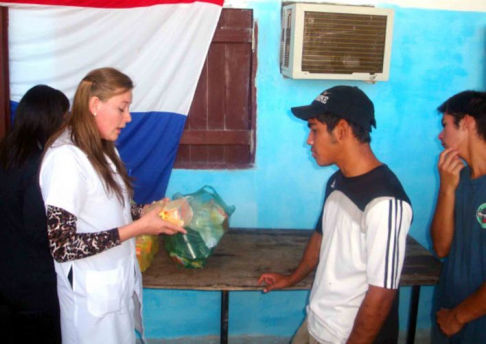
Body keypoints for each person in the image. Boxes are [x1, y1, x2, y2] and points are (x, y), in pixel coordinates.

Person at [39, 67, 186, 344]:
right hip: (89, 297)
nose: (128, 118)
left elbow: (110, 206)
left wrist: (144, 212)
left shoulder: (103, 149)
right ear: (95, 105)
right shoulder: (66, 159)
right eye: (122, 108)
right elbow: (62, 245)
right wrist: (139, 228)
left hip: (112, 284)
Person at [258, 86, 413, 343]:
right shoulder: (337, 181)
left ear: (341, 130)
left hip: (346, 335)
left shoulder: (386, 203)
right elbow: (321, 236)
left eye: (314, 129)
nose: (309, 140)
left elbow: (382, 295)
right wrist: (292, 278)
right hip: (317, 322)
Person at [0, 85, 69, 344]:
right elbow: (41, 232)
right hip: (34, 285)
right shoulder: (40, 166)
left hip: (6, 279)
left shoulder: (6, 153)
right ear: (49, 120)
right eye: (64, 118)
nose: (66, 125)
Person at [431, 90, 486, 343]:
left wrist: (459, 317)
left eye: (446, 125)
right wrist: (446, 188)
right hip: (449, 308)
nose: (440, 136)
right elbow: (442, 248)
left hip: (471, 319)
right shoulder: (458, 177)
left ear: (467, 122)